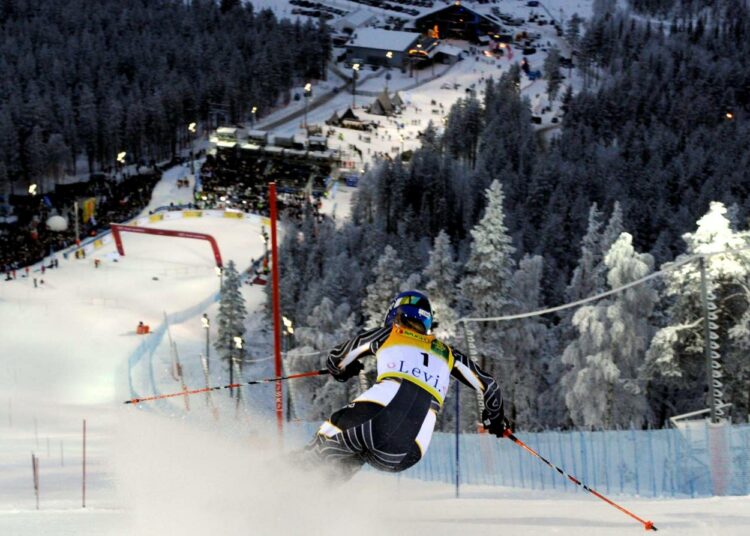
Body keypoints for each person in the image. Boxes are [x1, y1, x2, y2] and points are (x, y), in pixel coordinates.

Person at [302, 290, 506, 480]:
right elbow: (490, 385)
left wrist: (343, 371)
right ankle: (319, 497)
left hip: (376, 416)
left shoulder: (388, 334)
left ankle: (287, 473)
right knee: (359, 453)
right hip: (408, 451)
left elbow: (336, 358)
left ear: (395, 314)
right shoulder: (449, 353)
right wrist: (495, 419)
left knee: (332, 433)